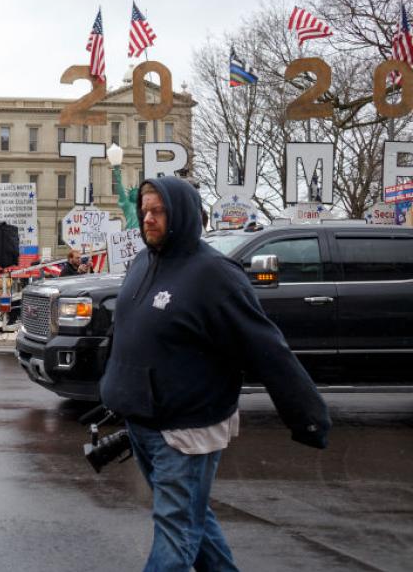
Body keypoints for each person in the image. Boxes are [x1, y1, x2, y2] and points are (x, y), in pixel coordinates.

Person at [100, 177, 331, 571]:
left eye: (158, 211)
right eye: (145, 211)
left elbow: (266, 348)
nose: (148, 219)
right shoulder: (143, 261)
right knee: (193, 519)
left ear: (183, 215)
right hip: (142, 421)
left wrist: (307, 416)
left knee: (176, 533)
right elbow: (128, 331)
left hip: (186, 429)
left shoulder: (214, 273)